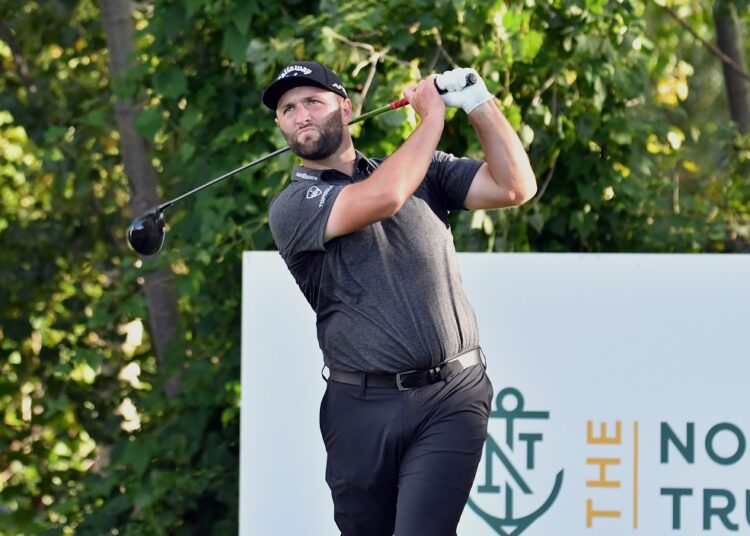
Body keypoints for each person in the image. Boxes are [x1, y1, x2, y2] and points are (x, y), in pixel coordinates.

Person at [262, 60, 536, 536]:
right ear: (281, 125)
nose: (301, 115)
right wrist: (432, 118)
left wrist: (476, 102)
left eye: (312, 101)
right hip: (358, 407)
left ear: (345, 109)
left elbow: (516, 186)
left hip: (452, 394)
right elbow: (384, 197)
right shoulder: (291, 206)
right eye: (288, 109)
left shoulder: (426, 169)